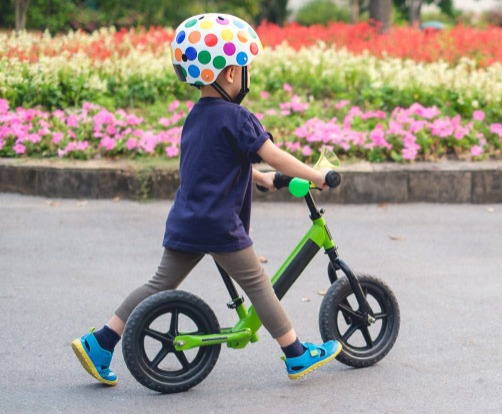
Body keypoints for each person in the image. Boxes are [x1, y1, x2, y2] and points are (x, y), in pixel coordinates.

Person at [71, 13, 341, 386]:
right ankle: (295, 353)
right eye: (245, 67)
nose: (247, 74)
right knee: (260, 285)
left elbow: (213, 165)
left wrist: (261, 180)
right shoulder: (239, 117)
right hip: (219, 225)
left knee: (158, 285)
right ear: (230, 73)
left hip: (187, 219)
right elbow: (272, 153)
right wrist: (316, 174)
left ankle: (101, 341)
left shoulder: (196, 116)